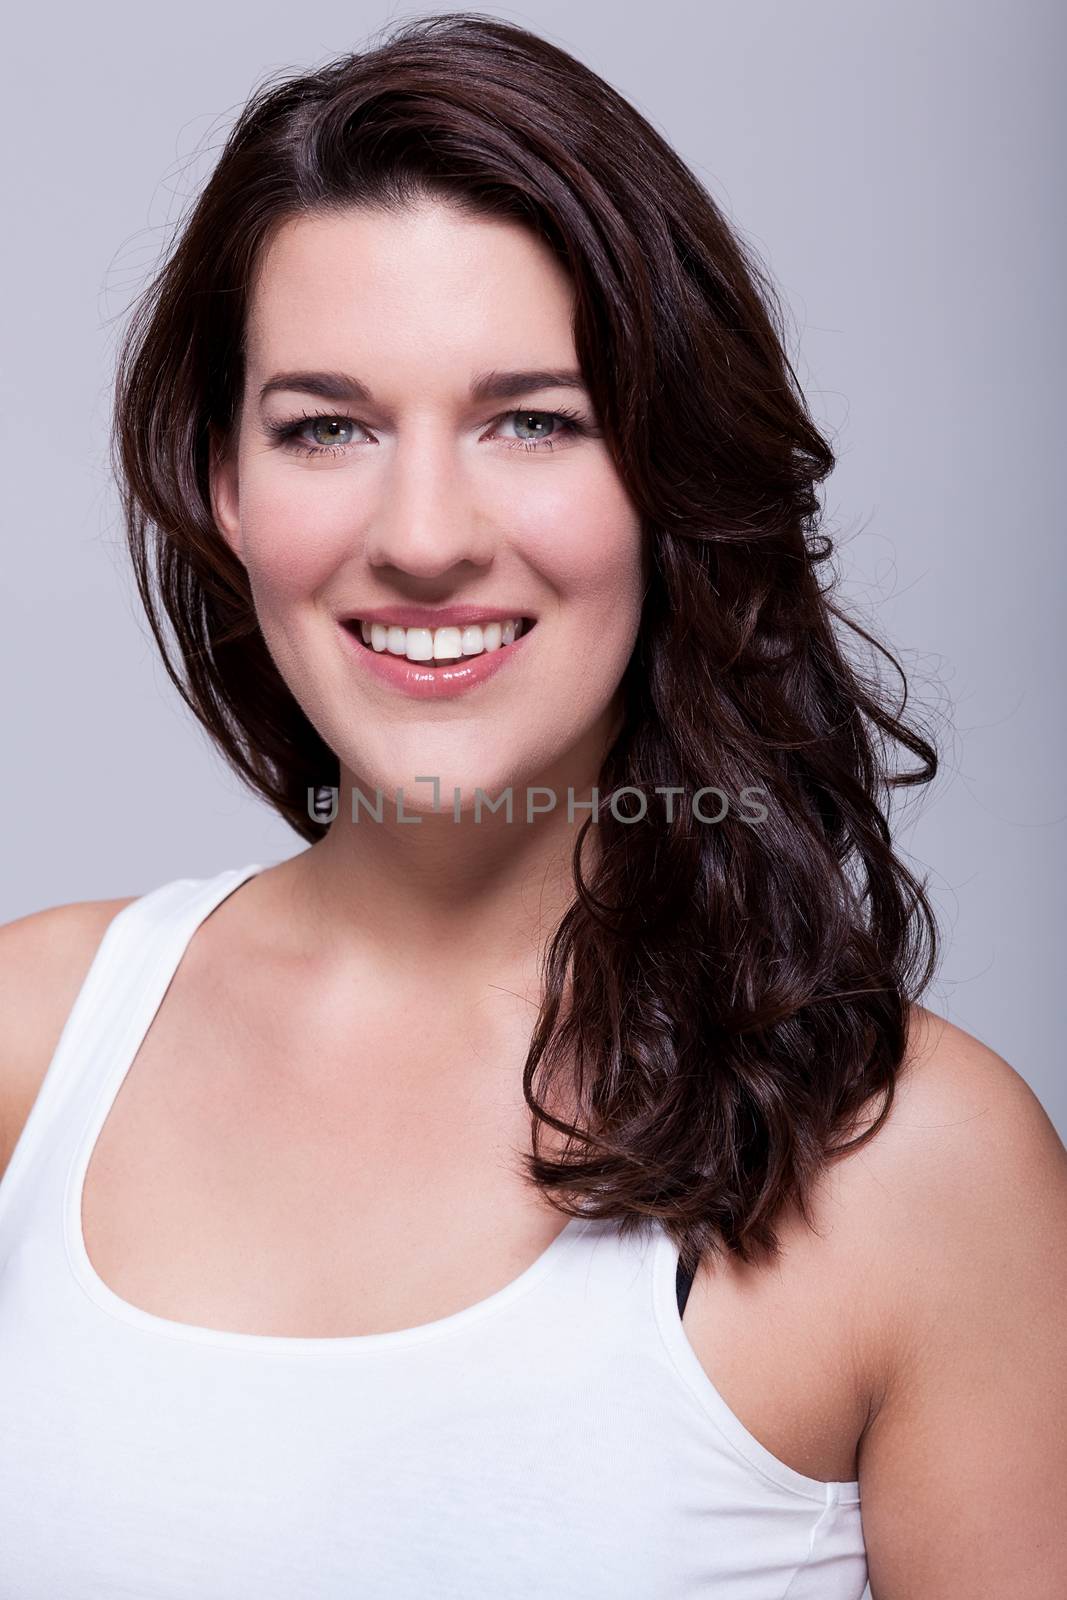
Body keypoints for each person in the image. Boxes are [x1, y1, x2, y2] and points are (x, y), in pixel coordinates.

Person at [1, 13, 1064, 1598]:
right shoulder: (28, 1043)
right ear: (225, 487)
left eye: (533, 420)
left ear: (670, 475)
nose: (425, 534)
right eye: (327, 427)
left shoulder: (917, 1165)